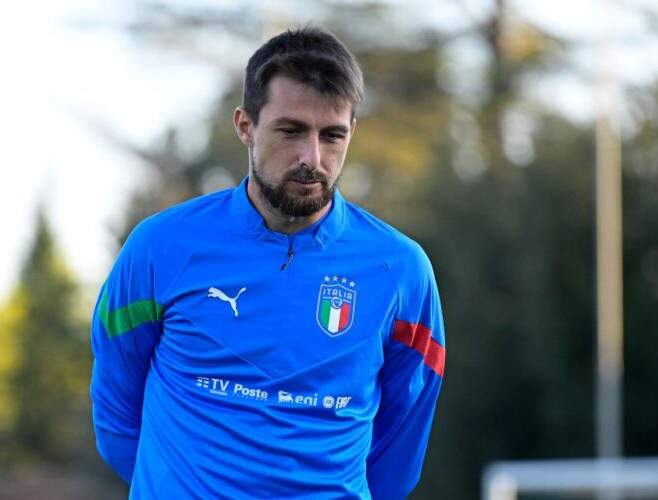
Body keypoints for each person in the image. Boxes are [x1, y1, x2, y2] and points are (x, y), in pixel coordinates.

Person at [90, 26, 445, 499]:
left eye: (332, 135)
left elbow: (401, 444)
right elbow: (116, 413)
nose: (312, 157)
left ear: (352, 132)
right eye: (291, 130)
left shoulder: (402, 271)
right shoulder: (159, 247)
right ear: (245, 126)